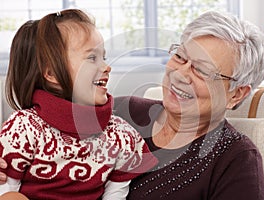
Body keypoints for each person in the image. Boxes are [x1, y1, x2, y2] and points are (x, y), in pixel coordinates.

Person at [0, 10, 264, 200]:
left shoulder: (236, 160)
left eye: (201, 69)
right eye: (179, 56)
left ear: (236, 94)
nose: (180, 73)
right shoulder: (117, 112)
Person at [0, 9, 157, 200]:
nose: (107, 67)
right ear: (51, 74)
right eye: (92, 58)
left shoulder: (122, 136)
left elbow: (115, 195)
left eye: (103, 57)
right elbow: (6, 192)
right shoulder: (23, 129)